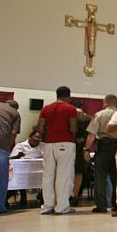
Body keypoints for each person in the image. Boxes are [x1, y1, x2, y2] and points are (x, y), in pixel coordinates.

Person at [37, 86, 77, 215]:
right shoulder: (70, 108)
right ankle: (61, 207)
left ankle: (47, 206)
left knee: (48, 176)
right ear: (68, 96)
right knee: (64, 175)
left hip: (49, 144)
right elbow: (73, 129)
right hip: (65, 142)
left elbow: (40, 128)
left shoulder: (46, 108)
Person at [83, 95, 117, 213]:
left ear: (105, 102)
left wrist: (87, 149)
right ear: (116, 103)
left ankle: (101, 204)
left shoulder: (99, 115)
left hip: (103, 147)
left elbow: (91, 134)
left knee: (100, 176)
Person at [71, 101, 92, 206]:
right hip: (82, 146)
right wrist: (87, 149)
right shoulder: (88, 118)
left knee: (65, 172)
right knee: (78, 172)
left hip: (68, 144)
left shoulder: (69, 115)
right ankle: (75, 196)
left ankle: (66, 195)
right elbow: (91, 135)